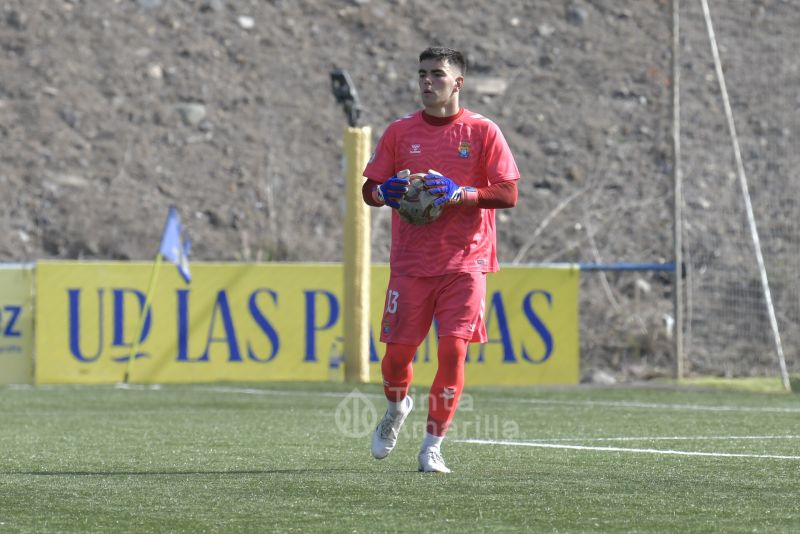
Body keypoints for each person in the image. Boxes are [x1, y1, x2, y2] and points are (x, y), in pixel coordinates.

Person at [361, 47, 520, 473]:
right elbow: (370, 190)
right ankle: (396, 409)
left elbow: (507, 193)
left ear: (458, 83)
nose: (427, 81)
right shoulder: (399, 132)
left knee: (452, 352)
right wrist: (383, 194)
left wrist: (461, 193)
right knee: (396, 359)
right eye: (422, 74)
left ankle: (432, 447)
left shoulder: (483, 131)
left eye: (437, 74)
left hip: (466, 262)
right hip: (412, 264)